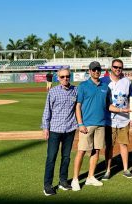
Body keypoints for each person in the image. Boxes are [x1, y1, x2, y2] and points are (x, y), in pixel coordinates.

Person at [71, 61, 111, 191]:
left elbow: (108, 105)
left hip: (101, 124)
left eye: (98, 69)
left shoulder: (105, 86)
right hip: (87, 125)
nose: (96, 72)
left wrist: (124, 110)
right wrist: (80, 123)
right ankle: (75, 179)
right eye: (93, 70)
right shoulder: (83, 86)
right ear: (89, 71)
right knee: (81, 151)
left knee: (96, 150)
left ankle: (90, 177)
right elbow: (78, 106)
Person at [41, 68, 77, 196]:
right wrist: (45, 128)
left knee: (66, 157)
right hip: (55, 130)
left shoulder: (75, 90)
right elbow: (47, 111)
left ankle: (63, 181)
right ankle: (47, 185)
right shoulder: (53, 92)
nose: (65, 79)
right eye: (62, 77)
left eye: (67, 76)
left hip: (70, 129)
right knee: (51, 158)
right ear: (58, 78)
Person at [103, 59, 132, 180]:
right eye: (115, 67)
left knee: (123, 144)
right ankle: (107, 170)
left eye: (120, 67)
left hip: (124, 119)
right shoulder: (104, 81)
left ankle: (126, 169)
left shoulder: (127, 82)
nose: (117, 69)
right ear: (111, 67)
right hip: (108, 119)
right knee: (109, 145)